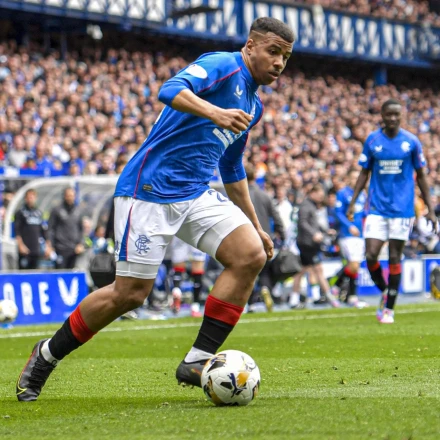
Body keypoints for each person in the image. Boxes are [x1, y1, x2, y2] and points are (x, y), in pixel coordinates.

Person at [16, 17, 295, 401]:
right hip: (149, 189)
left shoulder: (253, 104)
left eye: (285, 57)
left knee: (250, 253)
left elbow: (232, 168)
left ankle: (197, 360)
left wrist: (256, 224)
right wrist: (215, 112)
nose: (279, 63)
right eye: (273, 52)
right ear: (250, 46)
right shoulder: (223, 65)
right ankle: (46, 354)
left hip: (195, 192)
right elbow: (170, 89)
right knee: (129, 294)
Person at [347, 99, 437, 324]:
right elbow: (364, 173)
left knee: (395, 256)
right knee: (370, 255)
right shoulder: (373, 140)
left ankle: (389, 309)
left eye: (397, 114)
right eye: (389, 114)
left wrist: (430, 209)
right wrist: (353, 201)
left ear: (401, 116)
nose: (393, 118)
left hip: (402, 210)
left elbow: (422, 176)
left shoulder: (411, 142)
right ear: (382, 115)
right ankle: (386, 290)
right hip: (376, 208)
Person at [290, 184, 340, 309]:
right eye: (319, 195)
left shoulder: (311, 205)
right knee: (318, 270)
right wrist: (314, 234)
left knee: (301, 271)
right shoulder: (306, 206)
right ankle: (330, 298)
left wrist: (325, 231)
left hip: (307, 243)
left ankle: (294, 299)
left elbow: (314, 223)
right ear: (313, 193)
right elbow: (303, 223)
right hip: (307, 243)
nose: (321, 198)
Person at [245, 163, 285, 312]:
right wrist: (282, 234)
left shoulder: (240, 196)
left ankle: (251, 304)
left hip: (245, 237)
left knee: (248, 272)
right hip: (264, 238)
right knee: (264, 270)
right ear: (255, 176)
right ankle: (265, 288)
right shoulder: (264, 195)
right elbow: (276, 216)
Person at [332, 168, 368, 308]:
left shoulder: (362, 194)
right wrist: (349, 226)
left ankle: (351, 296)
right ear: (348, 179)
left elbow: (363, 213)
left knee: (355, 267)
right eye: (354, 177)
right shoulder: (343, 193)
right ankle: (335, 286)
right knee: (353, 265)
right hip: (347, 235)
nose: (357, 180)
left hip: (360, 235)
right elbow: (338, 213)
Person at [46, 187, 84, 270]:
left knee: (73, 272)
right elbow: (50, 229)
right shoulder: (56, 210)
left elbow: (81, 229)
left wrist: (80, 243)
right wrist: (50, 245)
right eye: (68, 195)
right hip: (60, 248)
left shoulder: (78, 210)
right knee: (60, 272)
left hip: (74, 249)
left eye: (72, 196)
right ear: (64, 196)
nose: (70, 198)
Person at [169, 237, 206, 317]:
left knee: (178, 269)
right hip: (196, 234)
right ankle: (195, 307)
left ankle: (176, 289)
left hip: (179, 234)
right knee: (197, 271)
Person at [14, 189, 51, 270]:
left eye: (32, 197)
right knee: (23, 273)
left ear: (35, 198)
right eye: (29, 197)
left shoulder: (38, 213)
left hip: (36, 249)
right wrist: (20, 245)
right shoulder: (20, 212)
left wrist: (48, 246)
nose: (30, 199)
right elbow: (17, 231)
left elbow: (44, 231)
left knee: (35, 272)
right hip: (25, 249)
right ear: (25, 198)